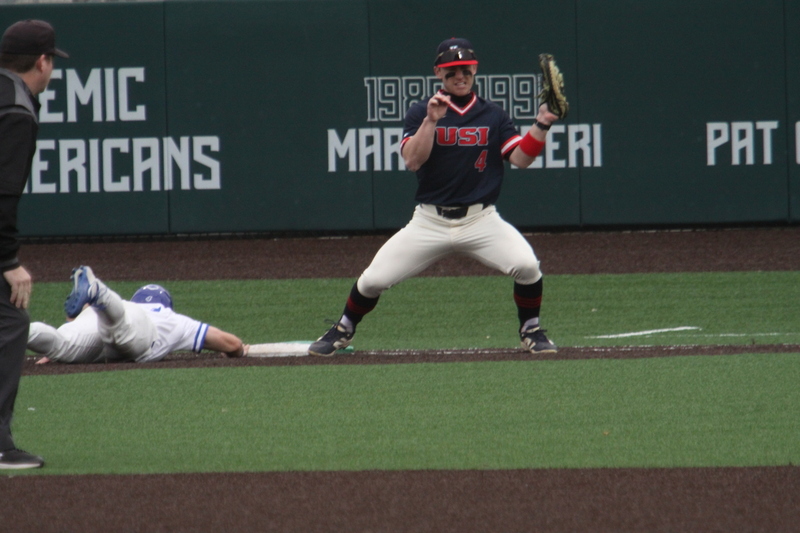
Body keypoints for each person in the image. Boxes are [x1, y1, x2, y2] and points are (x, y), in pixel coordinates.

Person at [309, 37, 561, 357]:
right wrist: (431, 120)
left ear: (474, 71)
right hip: (429, 220)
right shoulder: (420, 112)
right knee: (373, 280)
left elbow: (521, 159)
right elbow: (413, 160)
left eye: (466, 69)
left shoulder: (493, 115)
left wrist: (541, 124)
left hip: (480, 219)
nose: (460, 76)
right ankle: (343, 328)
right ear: (438, 73)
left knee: (527, 266)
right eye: (452, 70)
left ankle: (531, 330)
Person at [0, 19, 68, 470]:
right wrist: (8, 260)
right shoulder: (16, 111)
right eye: (52, 63)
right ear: (41, 62)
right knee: (9, 320)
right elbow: (2, 193)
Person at [29, 266, 249, 364]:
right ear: (167, 305)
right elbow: (231, 343)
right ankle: (98, 291)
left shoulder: (129, 304)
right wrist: (236, 351)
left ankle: (14, 329)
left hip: (93, 315)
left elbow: (72, 321)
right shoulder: (171, 318)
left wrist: (50, 354)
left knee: (61, 344)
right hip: (128, 322)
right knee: (121, 328)